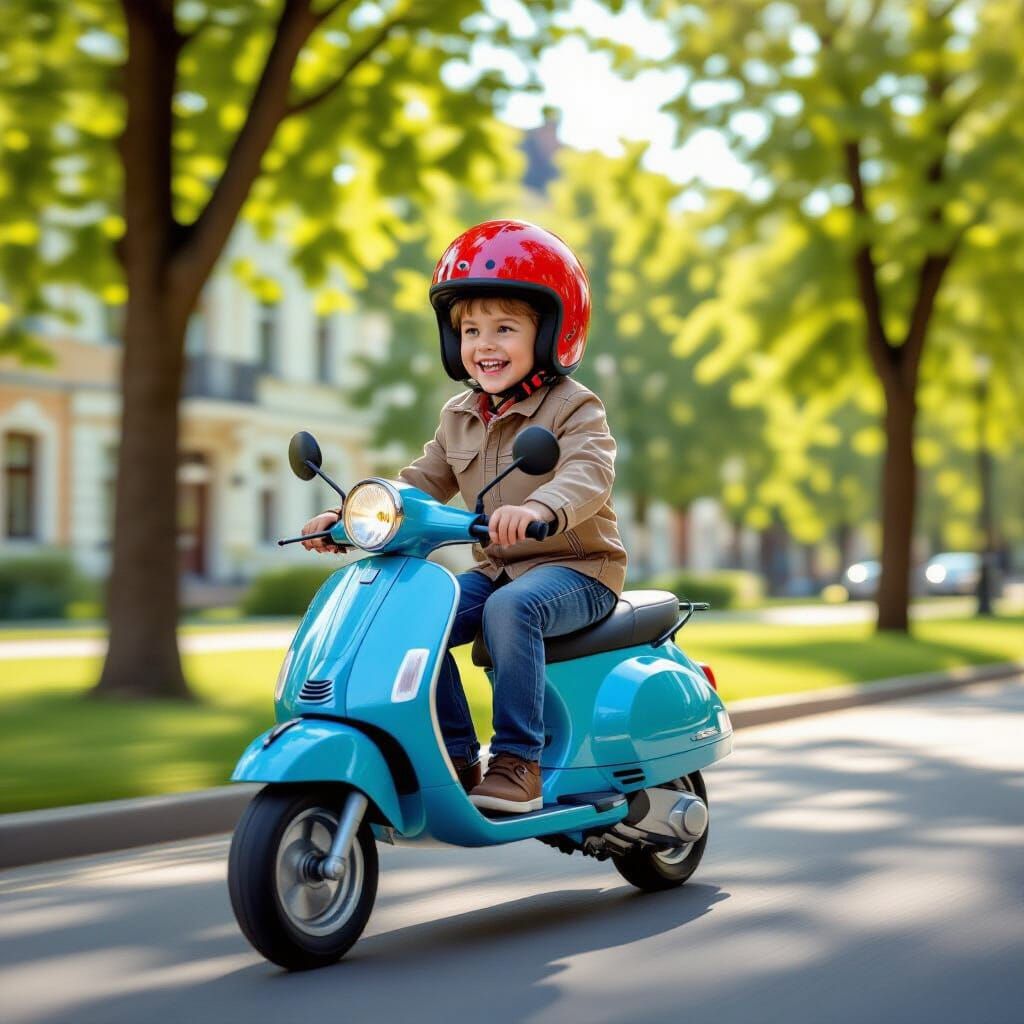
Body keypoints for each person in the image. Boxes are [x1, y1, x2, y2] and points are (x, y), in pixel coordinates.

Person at [301, 219, 626, 813]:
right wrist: (348, 518)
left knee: (510, 608)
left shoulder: (575, 406)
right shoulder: (459, 414)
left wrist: (540, 507)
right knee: (415, 617)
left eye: (505, 328)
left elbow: (589, 472)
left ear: (552, 333)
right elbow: (419, 483)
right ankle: (455, 756)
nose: (484, 345)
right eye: (471, 330)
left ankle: (518, 762)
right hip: (500, 569)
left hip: (578, 570)